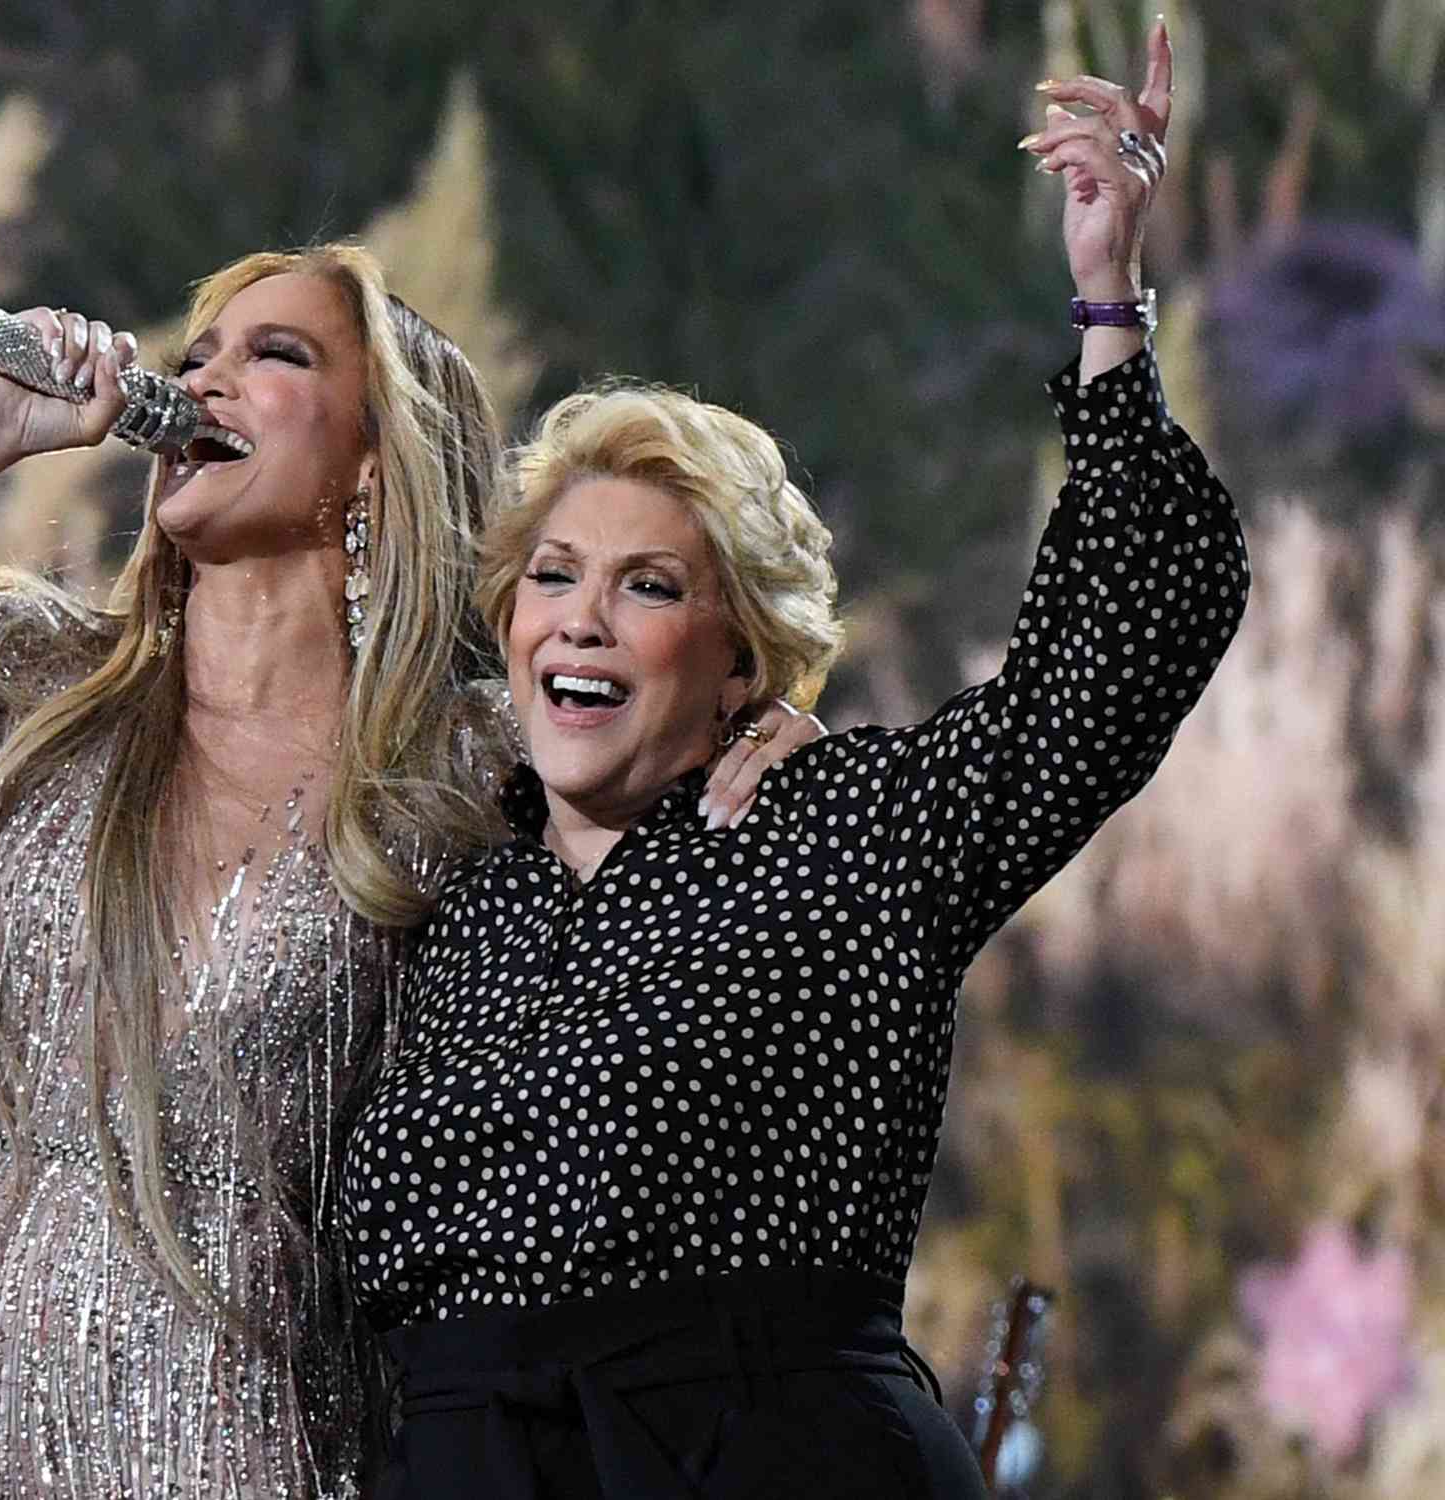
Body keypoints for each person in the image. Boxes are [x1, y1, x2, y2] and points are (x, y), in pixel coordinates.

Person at [0, 243, 812, 1497]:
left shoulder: (469, 765)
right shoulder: (52, 681)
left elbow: (661, 735)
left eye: (275, 355)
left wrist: (756, 733)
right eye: (195, 354)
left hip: (240, 1418)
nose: (203, 382)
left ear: (375, 459)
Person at [339, 23, 1248, 1498]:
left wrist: (1108, 296)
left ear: (742, 659)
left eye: (649, 586)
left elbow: (1116, 656)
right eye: (553, 577)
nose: (583, 618)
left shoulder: (837, 829)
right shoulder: (460, 899)